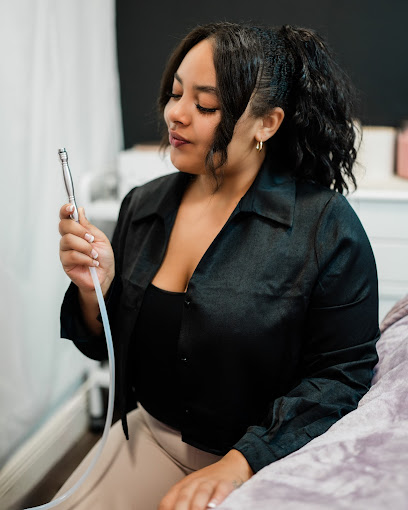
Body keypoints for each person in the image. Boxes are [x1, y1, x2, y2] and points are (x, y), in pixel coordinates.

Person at [58, 22, 380, 510]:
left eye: (205, 106)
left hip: (269, 462)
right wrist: (93, 291)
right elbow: (103, 346)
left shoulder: (325, 229)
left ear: (267, 124)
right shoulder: (142, 207)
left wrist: (239, 462)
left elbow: (342, 377)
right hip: (148, 438)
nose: (176, 115)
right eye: (175, 94)